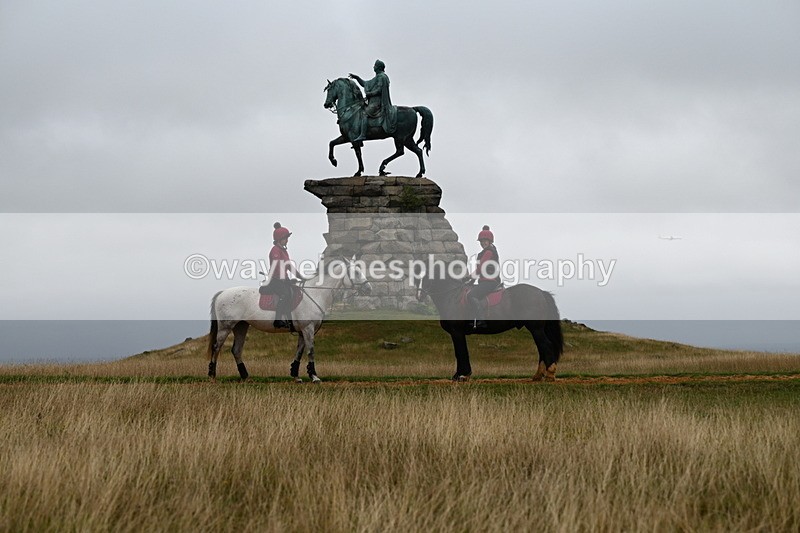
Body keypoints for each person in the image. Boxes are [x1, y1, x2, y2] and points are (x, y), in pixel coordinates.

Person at [349, 59, 397, 142]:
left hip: (377, 103)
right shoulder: (377, 77)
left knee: (363, 113)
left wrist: (369, 94)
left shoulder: (382, 77)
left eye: (375, 66)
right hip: (373, 103)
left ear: (378, 67)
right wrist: (357, 78)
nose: (373, 67)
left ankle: (363, 135)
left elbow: (379, 90)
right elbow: (365, 83)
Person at [266, 222, 302, 330]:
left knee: (294, 291)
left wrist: (300, 277)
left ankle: (290, 321)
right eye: (285, 238)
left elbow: (289, 266)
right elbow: (278, 266)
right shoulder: (275, 250)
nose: (287, 240)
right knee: (285, 294)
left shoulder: (283, 251)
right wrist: (284, 279)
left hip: (283, 279)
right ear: (279, 239)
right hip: (275, 280)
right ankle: (277, 320)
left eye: (287, 238)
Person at [468, 225, 502, 330]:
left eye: (485, 241)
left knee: (471, 295)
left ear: (490, 241)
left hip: (490, 281)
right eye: (481, 241)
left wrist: (468, 277)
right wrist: (471, 281)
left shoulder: (489, 252)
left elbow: (480, 267)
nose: (483, 243)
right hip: (484, 281)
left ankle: (481, 320)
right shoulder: (485, 252)